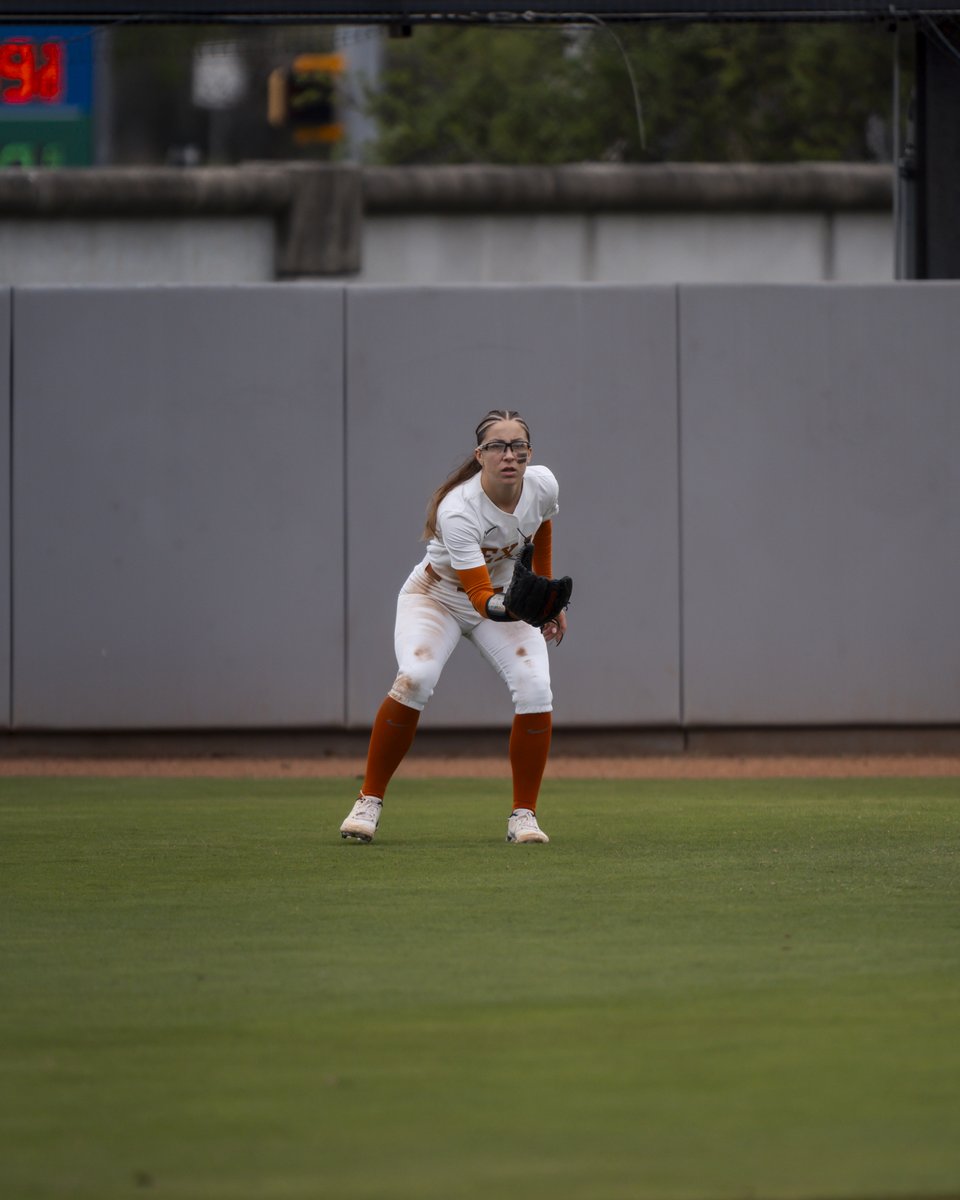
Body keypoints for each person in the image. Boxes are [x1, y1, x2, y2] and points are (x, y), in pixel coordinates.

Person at [340, 408, 568, 845]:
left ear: (529, 452)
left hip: (504, 598)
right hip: (438, 597)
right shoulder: (458, 509)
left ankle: (524, 815)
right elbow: (480, 599)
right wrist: (529, 609)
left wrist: (545, 593)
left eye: (518, 446)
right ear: (480, 455)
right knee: (416, 677)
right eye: (498, 446)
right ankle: (368, 800)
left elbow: (542, 526)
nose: (509, 455)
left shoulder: (543, 484)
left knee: (536, 687)